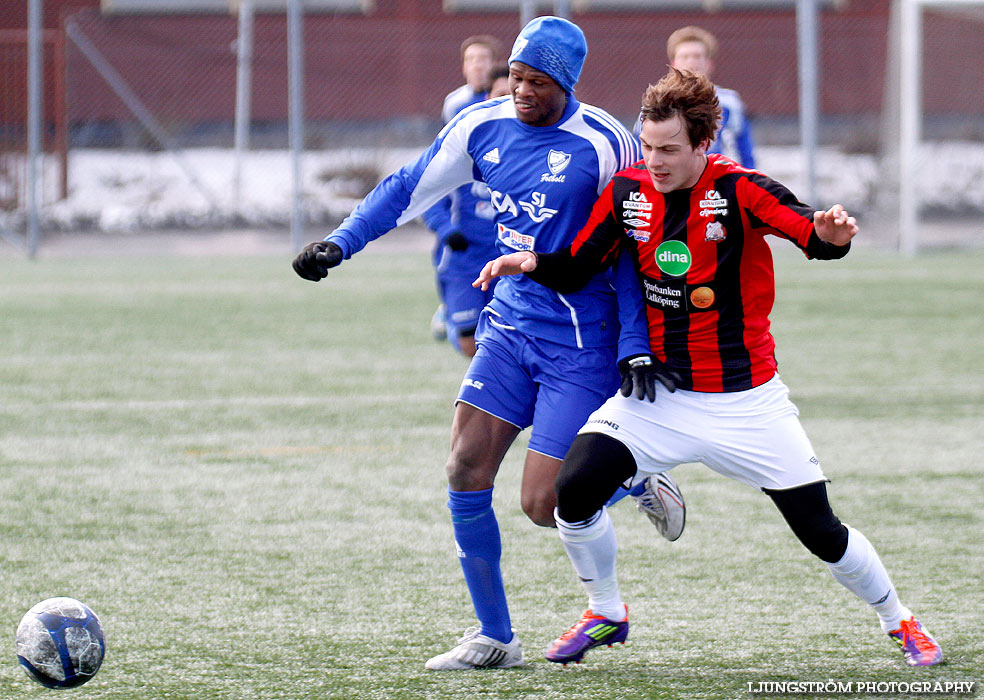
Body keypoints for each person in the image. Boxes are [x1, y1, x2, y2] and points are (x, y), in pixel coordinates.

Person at [474, 68, 943, 668]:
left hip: (748, 403)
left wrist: (832, 235)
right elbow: (580, 265)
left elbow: (810, 232)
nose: (655, 161)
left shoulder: (743, 189)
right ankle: (606, 612)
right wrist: (529, 261)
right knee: (573, 490)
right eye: (648, 146)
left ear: (703, 144)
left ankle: (899, 620)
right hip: (661, 398)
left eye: (669, 149)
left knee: (820, 529)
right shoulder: (627, 191)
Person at [292, 16, 684, 671]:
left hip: (581, 344)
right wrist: (341, 242)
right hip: (507, 327)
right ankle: (495, 636)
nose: (523, 91)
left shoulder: (606, 144)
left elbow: (633, 254)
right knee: (464, 467)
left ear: (567, 82)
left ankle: (633, 476)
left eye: (539, 82)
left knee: (544, 504)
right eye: (518, 77)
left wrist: (635, 345)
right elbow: (407, 188)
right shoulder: (482, 124)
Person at [425, 35, 504, 355]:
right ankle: (449, 308)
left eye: (483, 58)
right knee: (471, 342)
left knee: (501, 339)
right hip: (464, 258)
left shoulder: (525, 147)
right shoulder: (458, 119)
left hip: (505, 257)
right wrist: (449, 232)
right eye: (471, 59)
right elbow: (430, 197)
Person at [635, 25, 755, 168]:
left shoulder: (729, 103)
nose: (691, 62)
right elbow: (639, 150)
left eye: (697, 56)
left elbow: (745, 151)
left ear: (709, 63)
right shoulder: (655, 102)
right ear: (673, 64)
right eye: (685, 56)